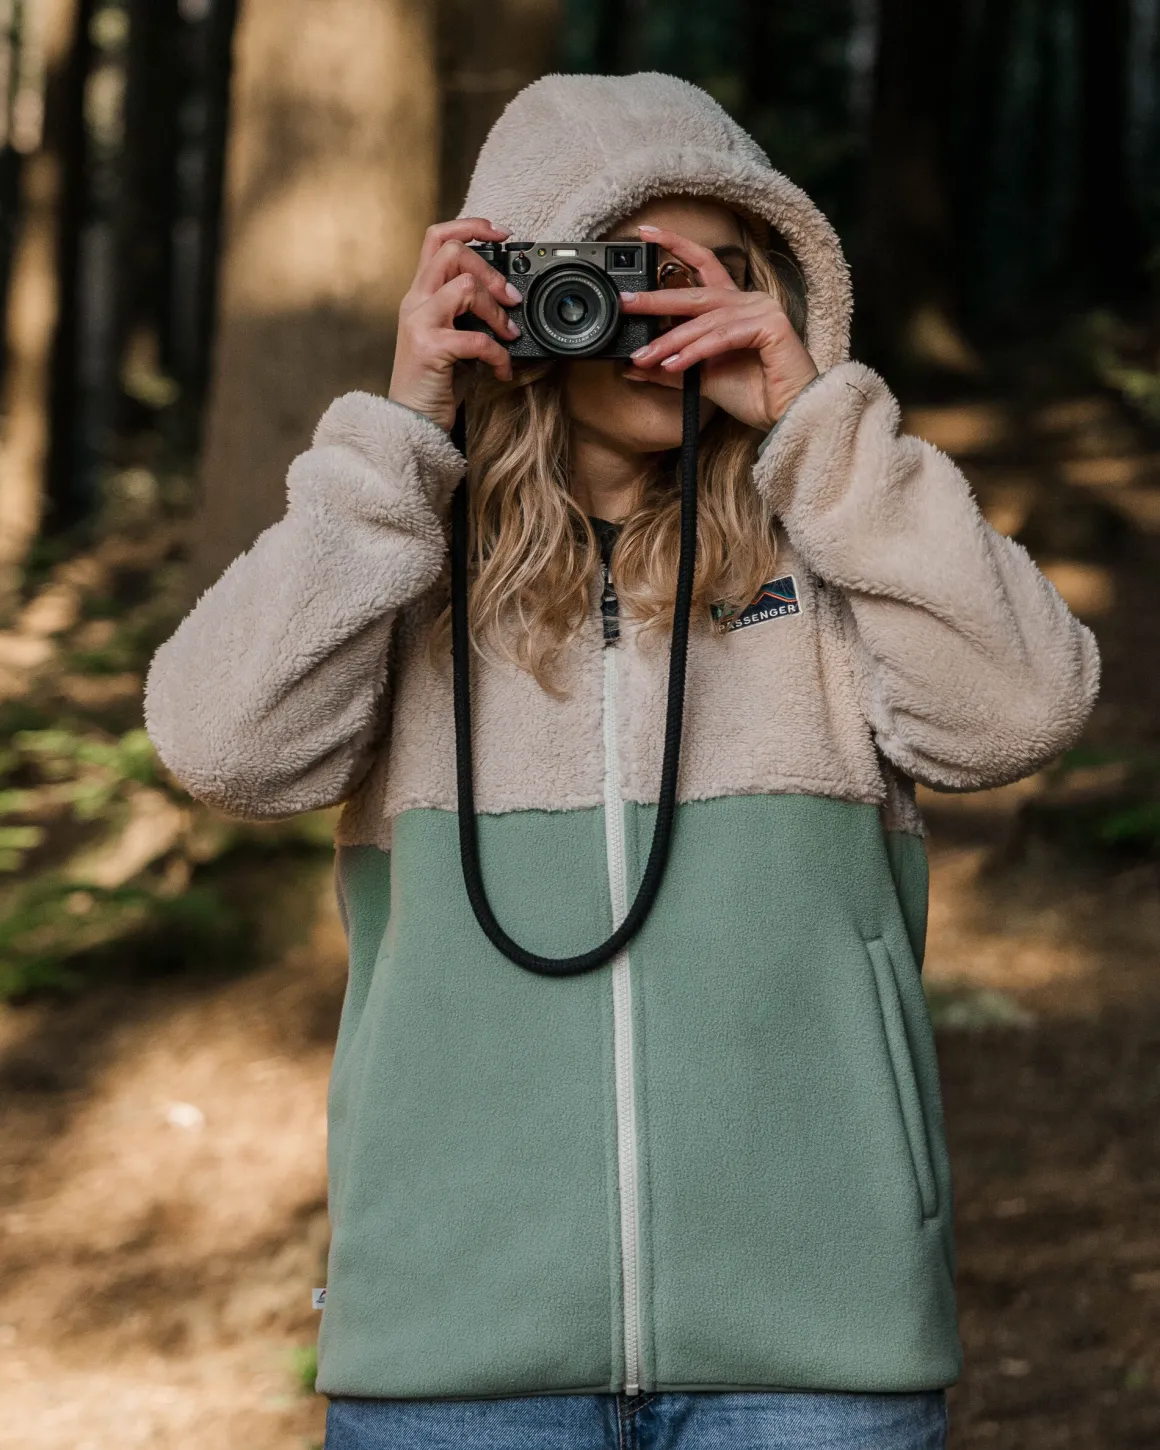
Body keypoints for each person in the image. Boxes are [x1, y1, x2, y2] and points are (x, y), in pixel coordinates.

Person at [144, 72, 1100, 1450]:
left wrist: (821, 427)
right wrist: (402, 430)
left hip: (814, 1346)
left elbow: (1027, 703)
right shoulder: (403, 579)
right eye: (615, 271)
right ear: (519, 290)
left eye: (702, 273)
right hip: (455, 1354)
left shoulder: (831, 553)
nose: (652, 316)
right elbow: (217, 742)